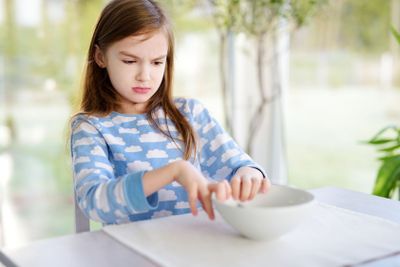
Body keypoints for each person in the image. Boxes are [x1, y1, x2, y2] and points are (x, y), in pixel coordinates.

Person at [70, 0, 270, 225]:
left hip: (196, 246)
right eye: (129, 61)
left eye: (157, 62)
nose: (145, 75)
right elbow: (95, 203)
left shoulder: (190, 113)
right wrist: (174, 170)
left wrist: (249, 175)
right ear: (100, 57)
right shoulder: (91, 127)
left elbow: (239, 165)